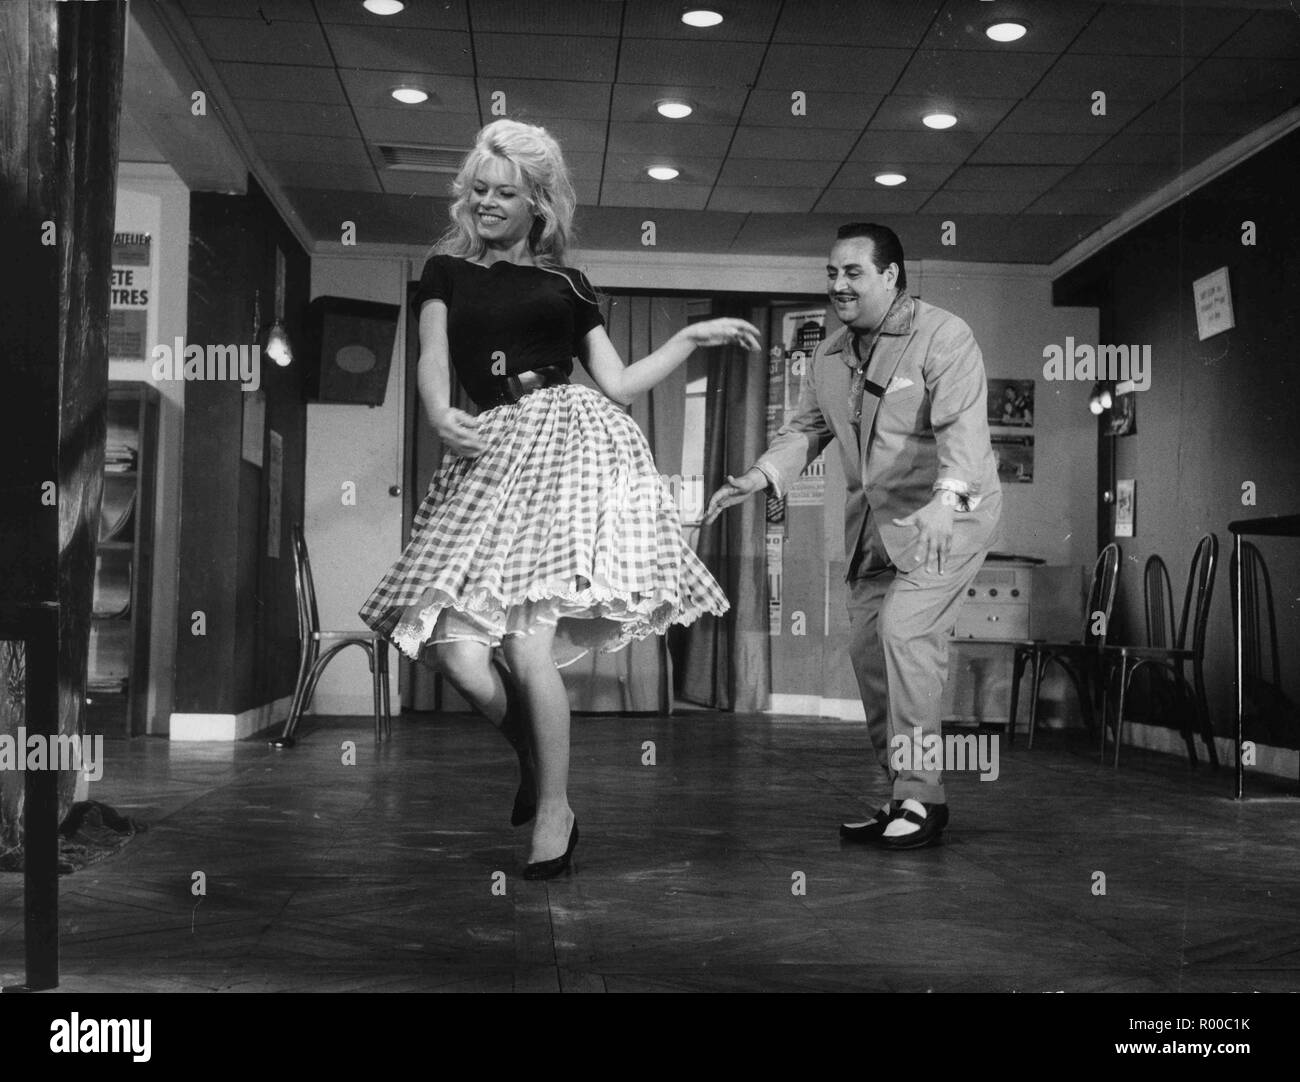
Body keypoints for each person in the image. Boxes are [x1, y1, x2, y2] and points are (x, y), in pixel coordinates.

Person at [360, 120, 760, 879]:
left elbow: (615, 383)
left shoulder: (567, 284)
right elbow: (432, 361)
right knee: (455, 652)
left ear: (537, 203)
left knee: (524, 640)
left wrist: (690, 338)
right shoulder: (444, 270)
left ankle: (554, 811)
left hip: (566, 441)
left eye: (504, 193)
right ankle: (539, 766)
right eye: (477, 189)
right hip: (487, 451)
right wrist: (442, 414)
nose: (485, 203)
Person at [705, 223, 1001, 850]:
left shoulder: (944, 336)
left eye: (853, 273)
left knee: (905, 633)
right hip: (874, 526)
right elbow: (806, 429)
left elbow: (962, 434)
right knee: (870, 655)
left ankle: (924, 797)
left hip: (947, 517)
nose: (838, 284)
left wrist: (948, 500)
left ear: (891, 276)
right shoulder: (831, 353)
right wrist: (759, 476)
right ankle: (902, 793)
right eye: (832, 273)